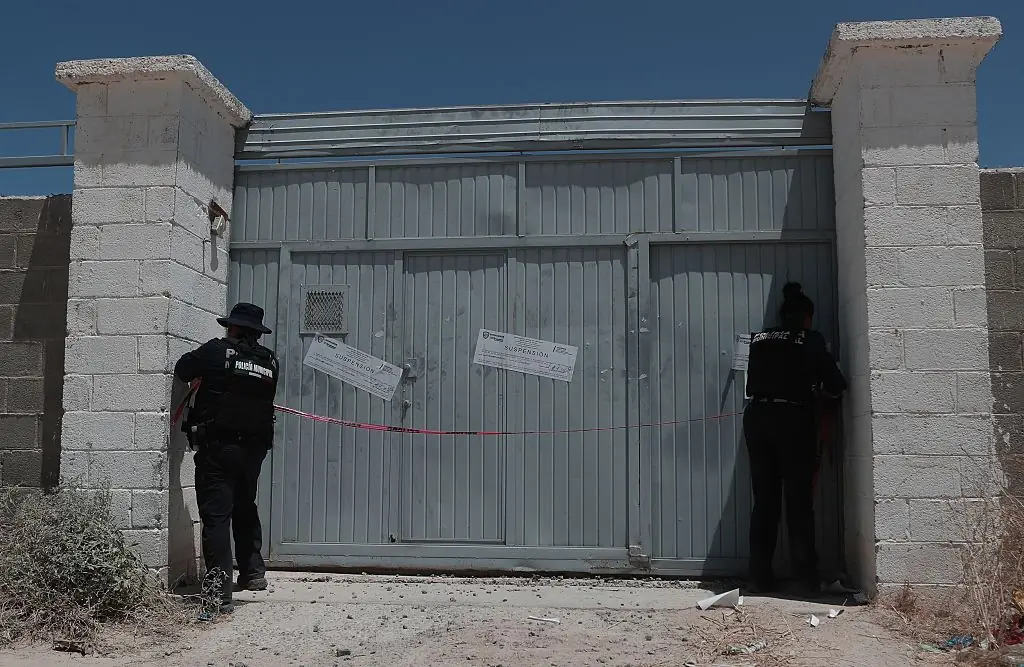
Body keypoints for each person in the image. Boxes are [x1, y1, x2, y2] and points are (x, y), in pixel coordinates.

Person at [174, 302, 280, 614]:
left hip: (219, 447)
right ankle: (253, 572)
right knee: (245, 505)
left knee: (217, 516)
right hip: (254, 449)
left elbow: (182, 369)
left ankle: (219, 592)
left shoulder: (215, 352)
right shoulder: (270, 361)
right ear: (256, 332)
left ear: (232, 326)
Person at [743, 283, 846, 596]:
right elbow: (836, 384)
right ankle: (806, 579)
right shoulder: (811, 340)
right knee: (798, 501)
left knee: (765, 501)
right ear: (807, 317)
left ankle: (759, 577)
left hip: (757, 418)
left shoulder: (760, 339)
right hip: (793, 420)